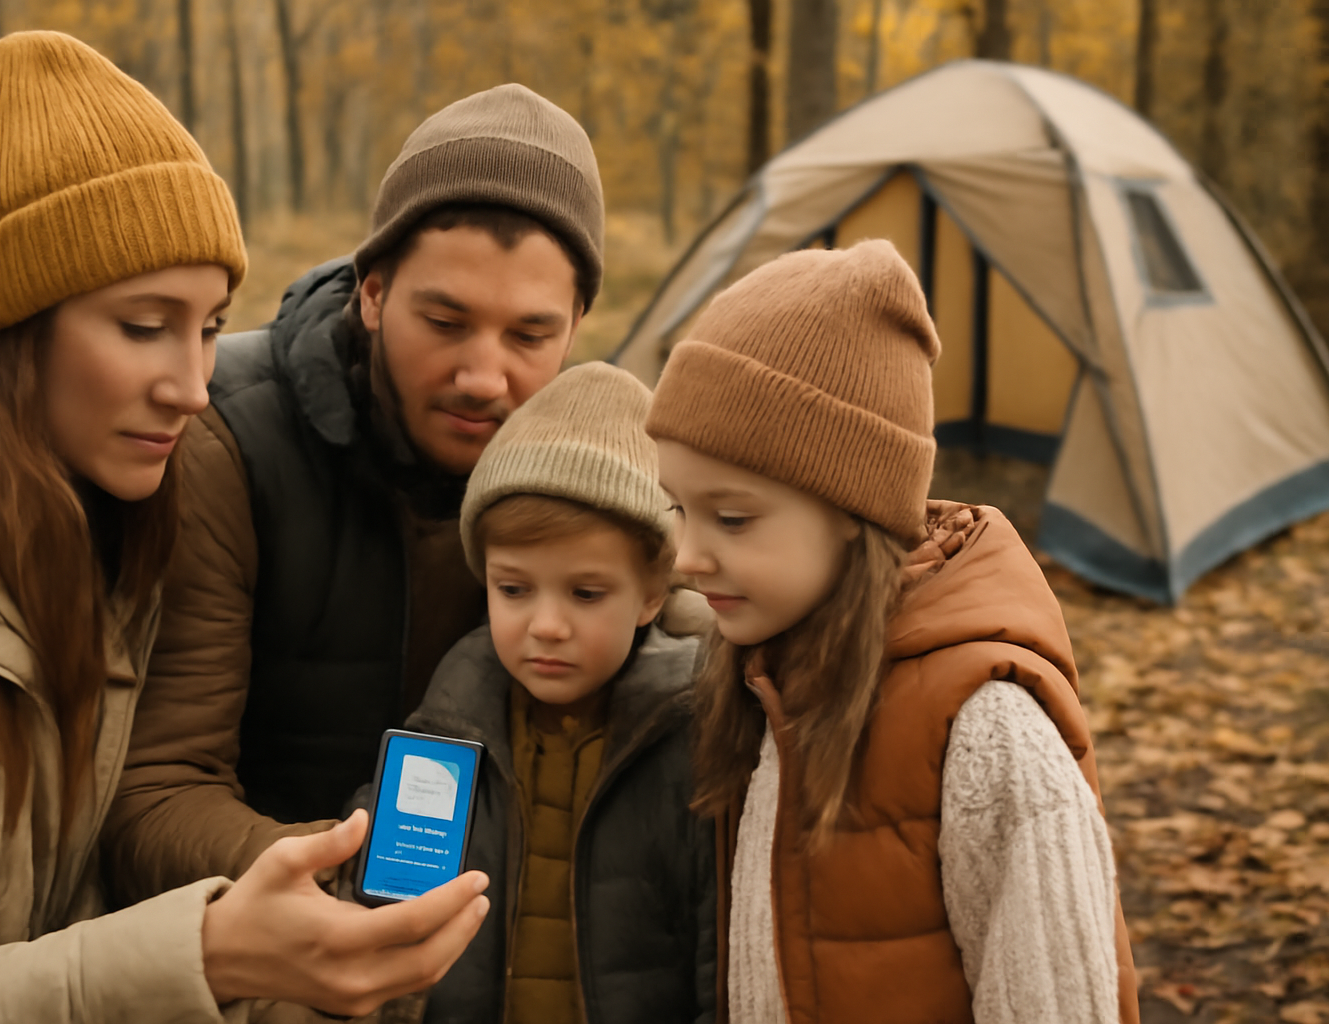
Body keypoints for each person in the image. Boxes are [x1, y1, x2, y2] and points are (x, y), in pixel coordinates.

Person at [0, 31, 485, 1024]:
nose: (195, 387)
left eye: (211, 327)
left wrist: (313, 970)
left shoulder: (106, 525)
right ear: (15, 322)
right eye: (143, 326)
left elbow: (71, 937)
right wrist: (211, 951)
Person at [104, 86, 607, 900]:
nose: (484, 378)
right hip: (264, 925)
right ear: (371, 293)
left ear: (576, 326)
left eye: (529, 335)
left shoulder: (594, 472)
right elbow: (158, 792)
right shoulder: (223, 440)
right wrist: (350, 887)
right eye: (445, 323)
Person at [644, 242, 1142, 1024]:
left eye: (731, 517)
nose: (686, 556)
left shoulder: (989, 738)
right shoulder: (766, 673)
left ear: (854, 509)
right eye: (679, 508)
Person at [358, 362, 715, 1024]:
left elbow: (720, 959)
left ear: (651, 594)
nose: (546, 625)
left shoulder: (700, 739)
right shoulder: (445, 724)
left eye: (586, 593)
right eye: (514, 589)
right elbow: (383, 911)